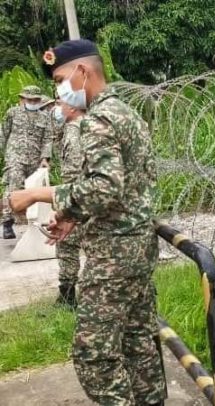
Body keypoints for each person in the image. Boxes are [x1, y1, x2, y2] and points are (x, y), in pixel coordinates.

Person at [9, 39, 166, 405]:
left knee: (92, 353)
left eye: (62, 79)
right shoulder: (126, 113)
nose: (60, 89)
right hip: (137, 247)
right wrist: (72, 216)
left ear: (82, 72)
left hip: (113, 256)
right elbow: (123, 187)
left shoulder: (98, 120)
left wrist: (34, 195)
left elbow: (103, 189)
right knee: (138, 342)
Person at [1, 85, 53, 239]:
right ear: (22, 99)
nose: (32, 102)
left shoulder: (44, 117)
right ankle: (7, 223)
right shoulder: (12, 113)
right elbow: (3, 134)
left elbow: (48, 139)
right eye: (29, 99)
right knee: (13, 187)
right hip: (15, 157)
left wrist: (45, 158)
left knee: (34, 191)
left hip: (35, 159)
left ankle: (35, 224)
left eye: (36, 100)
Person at [52, 102, 85, 308]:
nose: (56, 108)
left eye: (59, 103)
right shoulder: (81, 127)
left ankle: (67, 297)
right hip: (86, 200)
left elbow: (74, 177)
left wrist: (65, 211)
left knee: (67, 244)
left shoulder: (74, 133)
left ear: (72, 108)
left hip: (79, 202)